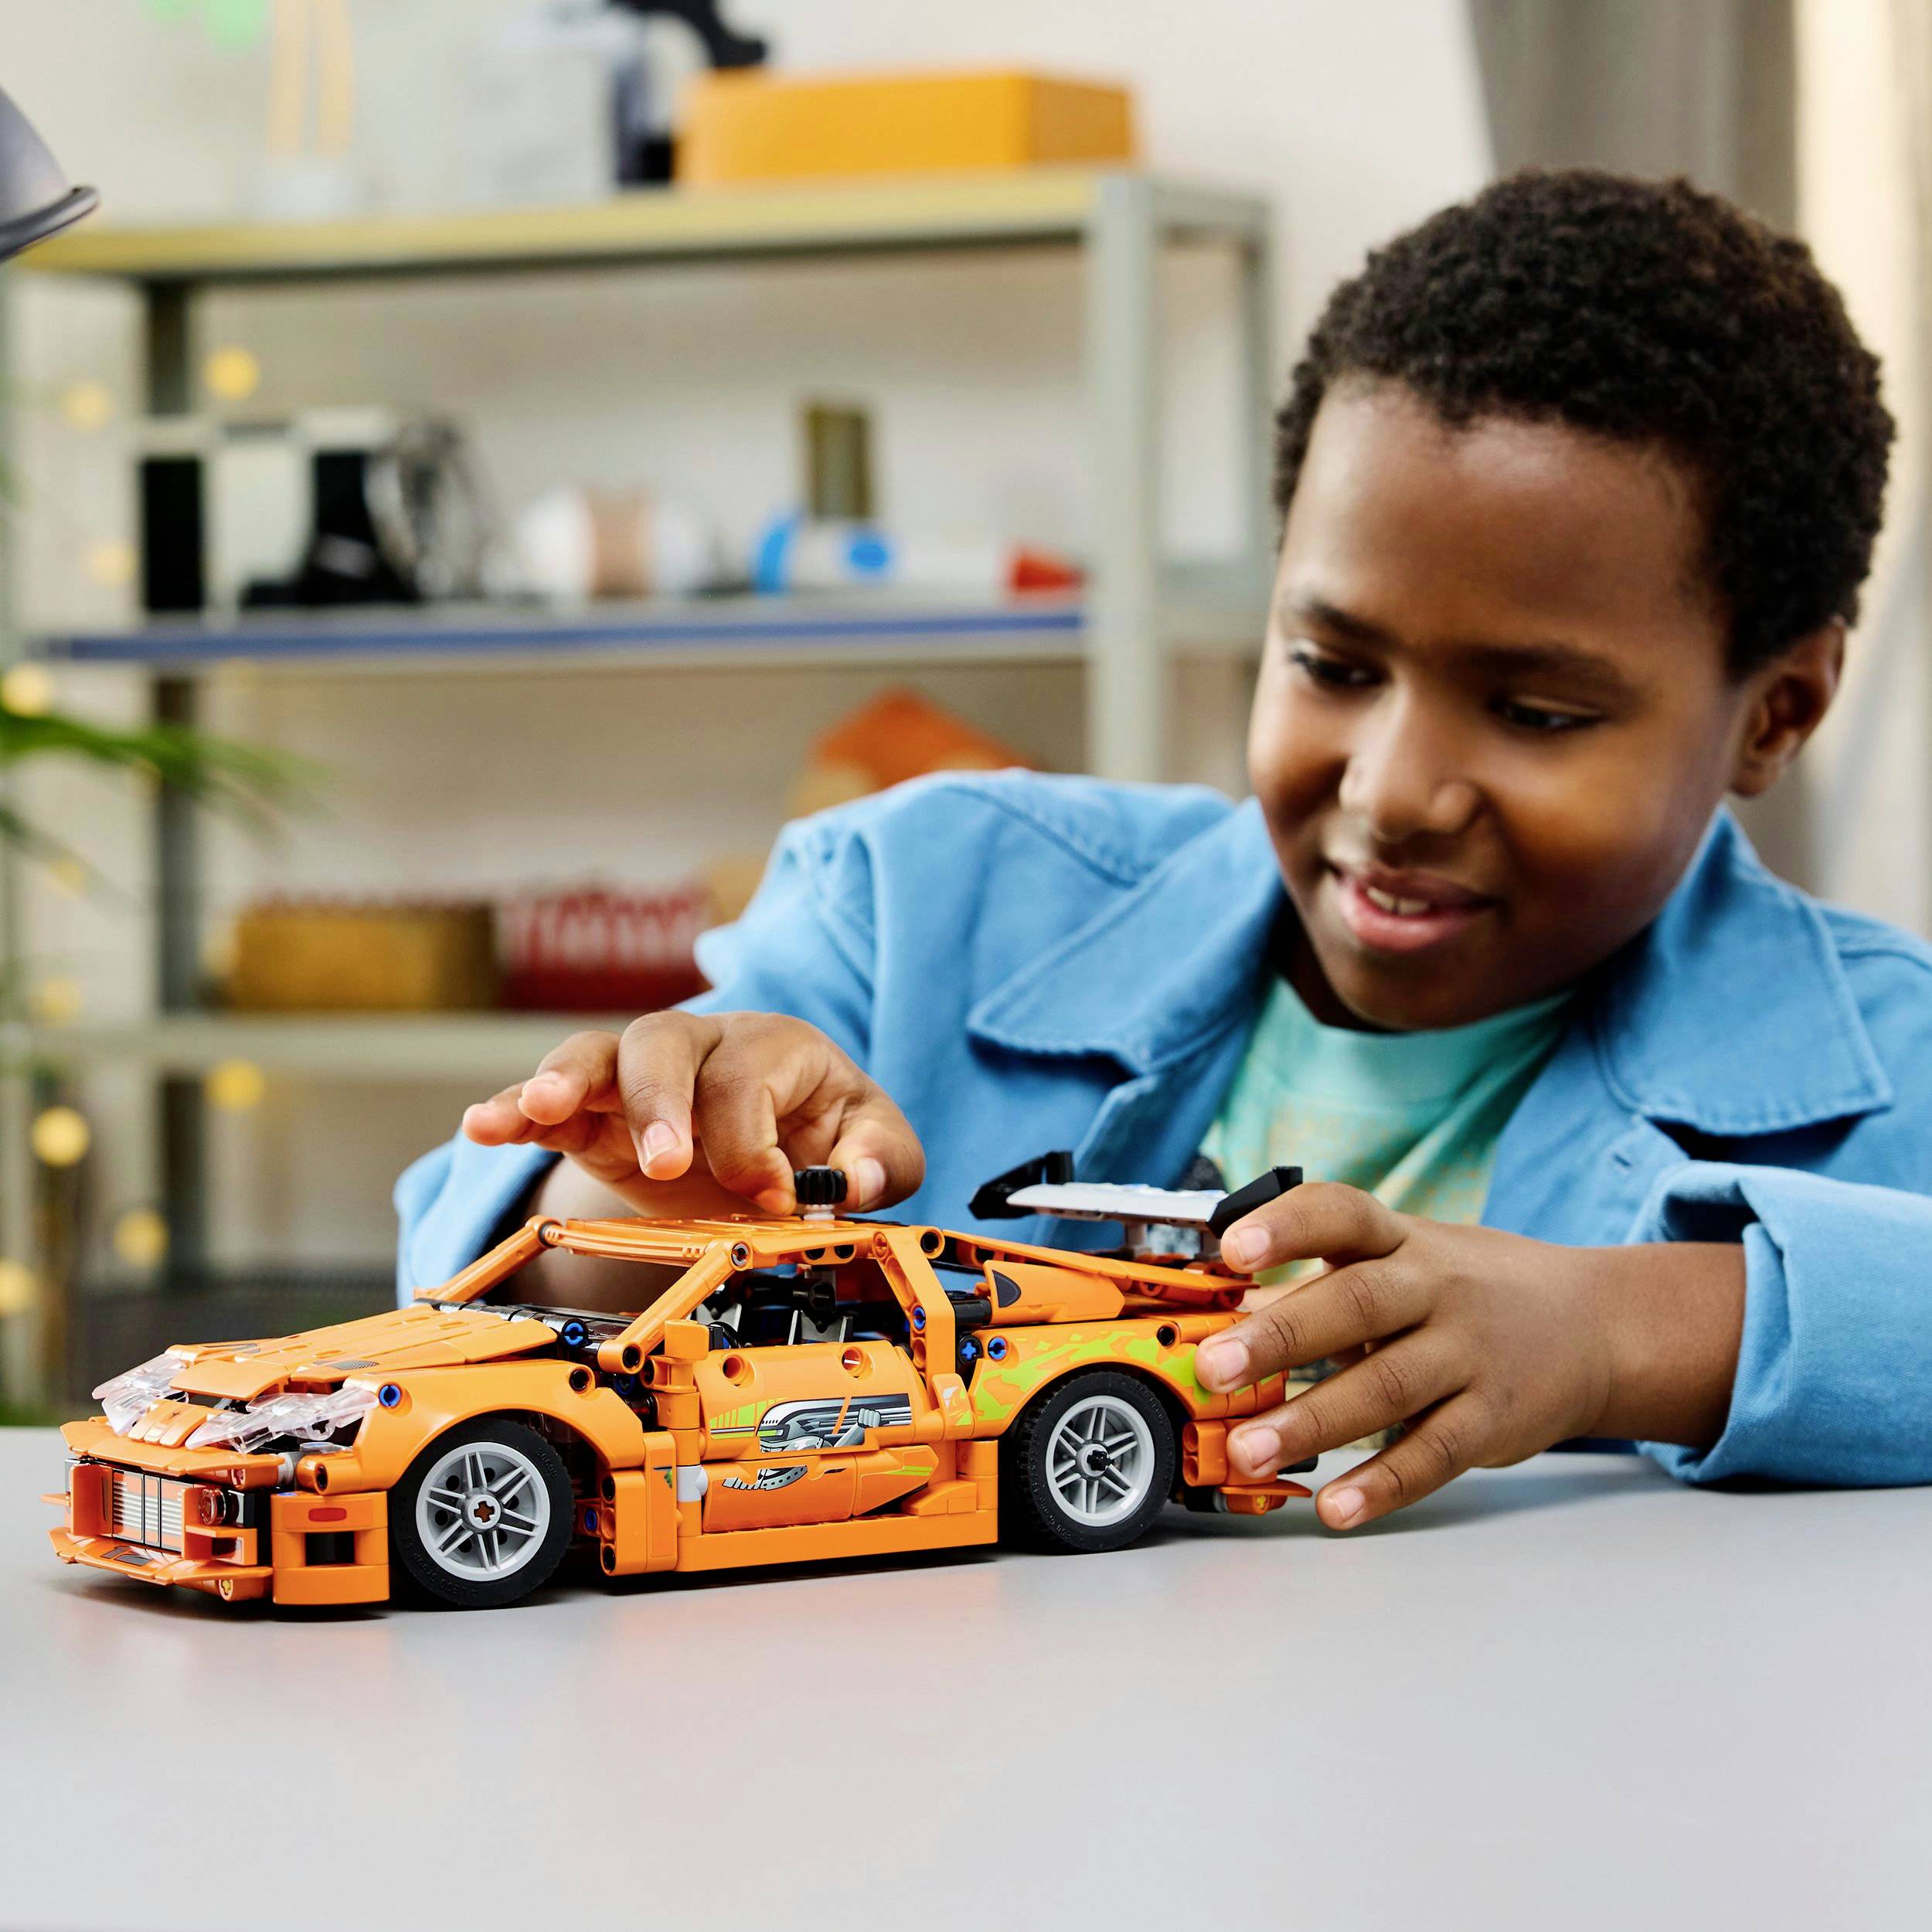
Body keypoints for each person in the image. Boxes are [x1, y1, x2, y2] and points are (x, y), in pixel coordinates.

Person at [401, 168, 1927, 1533]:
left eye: (1531, 709)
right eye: (1330, 663)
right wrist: (637, 1214)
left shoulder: (1881, 1061)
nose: (1392, 790)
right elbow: (476, 1278)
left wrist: (1623, 1329)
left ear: (1772, 708)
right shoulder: (921, 904)